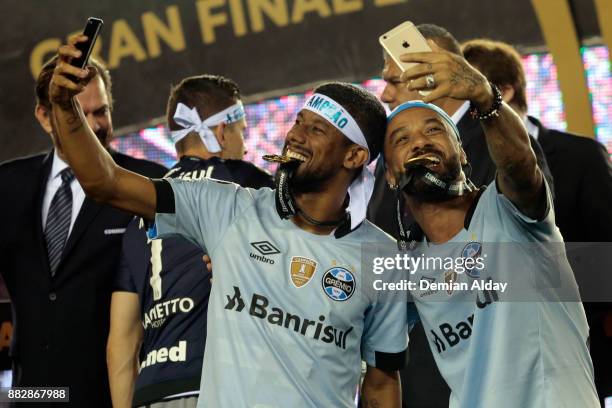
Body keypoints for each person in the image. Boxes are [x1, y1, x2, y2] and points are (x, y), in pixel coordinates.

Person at [49, 34, 409, 408]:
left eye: (316, 130)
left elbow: (382, 383)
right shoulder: (227, 208)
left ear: (353, 156)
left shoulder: (380, 256)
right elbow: (105, 181)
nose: (295, 135)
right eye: (299, 122)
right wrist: (64, 105)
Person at [382, 39, 599, 406]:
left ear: (463, 154)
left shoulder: (510, 213)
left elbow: (521, 167)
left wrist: (486, 98)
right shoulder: (407, 266)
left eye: (434, 130)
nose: (419, 142)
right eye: (402, 139)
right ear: (388, 175)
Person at [0, 56, 166, 407]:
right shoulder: (7, 186)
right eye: (79, 114)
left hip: (115, 393)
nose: (95, 126)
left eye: (102, 112)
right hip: (32, 392)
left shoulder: (146, 184)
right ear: (45, 117)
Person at [107, 74, 273, 408]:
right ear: (222, 132)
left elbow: (121, 345)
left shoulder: (142, 211)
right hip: (228, 384)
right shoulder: (248, 186)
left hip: (154, 389)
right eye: (241, 130)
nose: (244, 143)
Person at [461, 38, 612, 403]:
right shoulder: (462, 165)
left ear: (504, 91)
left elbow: (607, 250)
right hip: (493, 360)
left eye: (462, 96)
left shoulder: (579, 155)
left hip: (582, 345)